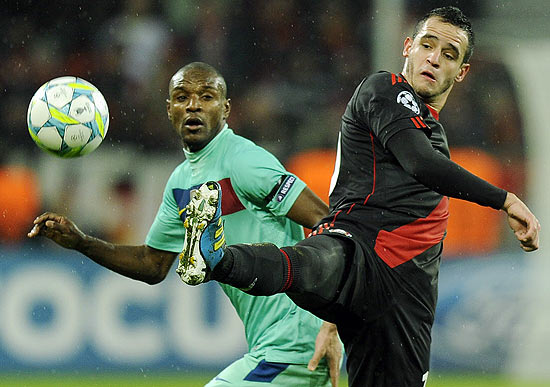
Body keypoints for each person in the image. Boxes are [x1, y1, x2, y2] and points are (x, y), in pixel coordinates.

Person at [175, 7, 541, 387]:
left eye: (449, 54)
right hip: (357, 248)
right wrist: (505, 200)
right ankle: (214, 258)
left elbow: (428, 164)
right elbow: (419, 163)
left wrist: (332, 324)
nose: (434, 58)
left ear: (461, 71)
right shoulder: (384, 91)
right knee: (315, 262)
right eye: (427, 45)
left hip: (403, 304)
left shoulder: (437, 142)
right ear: (408, 47)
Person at [28, 62, 342, 386]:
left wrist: (331, 322)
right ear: (169, 109)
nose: (193, 105)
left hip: (297, 341)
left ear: (226, 109)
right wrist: (82, 242)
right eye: (182, 97)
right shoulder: (180, 183)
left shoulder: (245, 161)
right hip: (274, 344)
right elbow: (152, 264)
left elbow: (331, 224)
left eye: (206, 97)